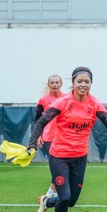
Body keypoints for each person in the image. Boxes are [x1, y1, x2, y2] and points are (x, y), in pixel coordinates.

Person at [28, 67, 107, 212]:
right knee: (64, 196)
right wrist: (32, 144)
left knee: (72, 200)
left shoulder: (95, 104)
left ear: (91, 84)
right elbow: (41, 122)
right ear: (73, 83)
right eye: (79, 81)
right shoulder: (62, 103)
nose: (83, 84)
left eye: (86, 81)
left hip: (80, 157)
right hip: (59, 155)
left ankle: (46, 202)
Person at [29, 74, 64, 202]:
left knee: (62, 166)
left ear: (61, 84)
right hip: (49, 138)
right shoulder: (43, 100)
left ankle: (51, 193)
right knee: (55, 166)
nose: (54, 85)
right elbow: (38, 120)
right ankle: (52, 194)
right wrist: (38, 135)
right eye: (52, 82)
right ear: (49, 85)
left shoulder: (67, 98)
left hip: (64, 138)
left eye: (57, 82)